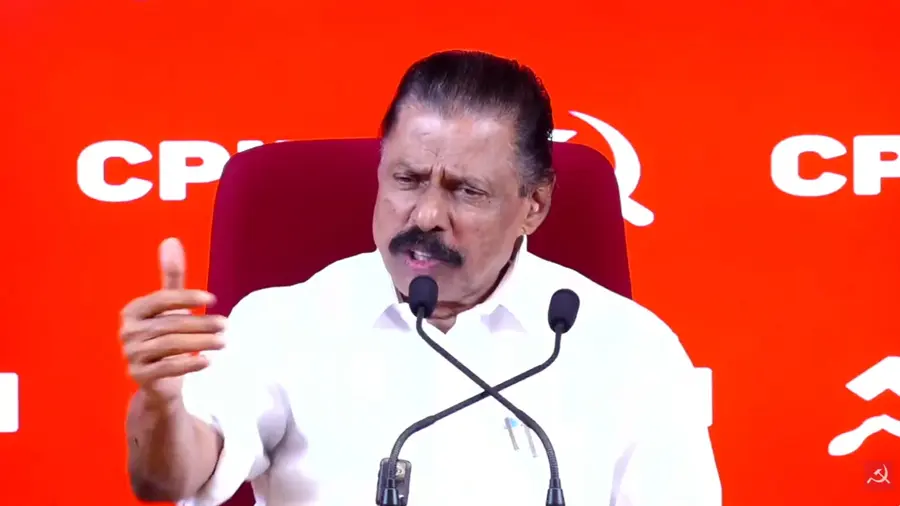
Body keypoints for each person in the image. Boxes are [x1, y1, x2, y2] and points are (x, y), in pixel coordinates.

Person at [120, 50, 721, 506]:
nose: (427, 215)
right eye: (407, 180)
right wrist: (161, 404)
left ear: (533, 206)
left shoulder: (628, 348)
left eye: (467, 191)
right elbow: (168, 479)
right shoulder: (284, 321)